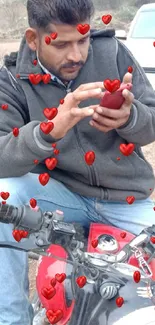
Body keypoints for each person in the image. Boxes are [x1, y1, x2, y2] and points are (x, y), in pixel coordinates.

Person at [0, 0, 155, 323]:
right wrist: (48, 131)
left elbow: (151, 120)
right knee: (3, 195)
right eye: (61, 44)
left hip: (125, 199)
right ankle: (12, 318)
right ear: (33, 38)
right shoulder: (11, 80)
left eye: (82, 40)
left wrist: (130, 117)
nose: (76, 55)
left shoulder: (112, 52)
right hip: (59, 197)